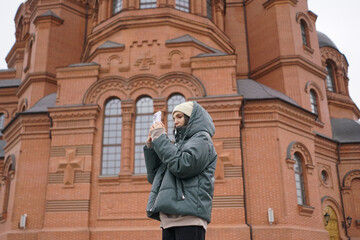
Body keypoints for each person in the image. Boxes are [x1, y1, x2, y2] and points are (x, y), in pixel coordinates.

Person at [143, 101, 217, 240]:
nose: (175, 122)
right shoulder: (176, 146)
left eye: (179, 117)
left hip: (189, 216)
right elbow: (156, 178)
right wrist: (153, 146)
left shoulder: (202, 139)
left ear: (191, 118)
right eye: (173, 118)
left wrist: (161, 139)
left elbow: (183, 166)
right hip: (170, 216)